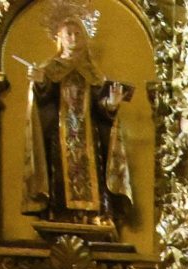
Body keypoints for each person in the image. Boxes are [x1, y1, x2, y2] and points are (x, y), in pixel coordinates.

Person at [21, 4, 139, 234]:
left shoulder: (92, 73)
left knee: (92, 170)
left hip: (88, 137)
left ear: (85, 38)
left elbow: (100, 108)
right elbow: (43, 102)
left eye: (78, 34)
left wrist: (111, 104)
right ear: (59, 37)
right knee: (59, 170)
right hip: (60, 134)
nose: (74, 38)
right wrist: (39, 82)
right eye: (69, 34)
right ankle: (59, 212)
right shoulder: (50, 69)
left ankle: (95, 215)